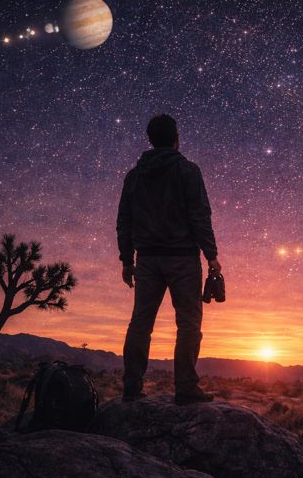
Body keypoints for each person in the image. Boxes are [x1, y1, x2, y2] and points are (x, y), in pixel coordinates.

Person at [116, 114, 222, 404]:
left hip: (147, 260)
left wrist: (127, 260)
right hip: (183, 260)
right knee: (188, 323)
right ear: (176, 138)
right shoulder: (187, 171)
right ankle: (186, 387)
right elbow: (200, 215)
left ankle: (132, 385)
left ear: (150, 139)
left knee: (140, 322)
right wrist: (211, 255)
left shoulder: (134, 176)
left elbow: (124, 220)